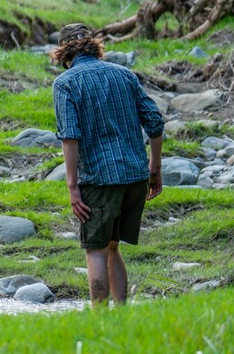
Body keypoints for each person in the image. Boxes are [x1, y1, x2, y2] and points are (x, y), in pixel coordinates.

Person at [51, 23, 164, 306]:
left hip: (99, 180)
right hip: (135, 176)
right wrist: (154, 170)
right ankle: (121, 315)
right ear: (94, 47)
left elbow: (70, 136)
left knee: (95, 251)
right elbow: (155, 122)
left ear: (64, 55)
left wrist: (72, 186)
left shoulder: (65, 83)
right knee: (113, 247)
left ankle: (99, 321)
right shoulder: (124, 74)